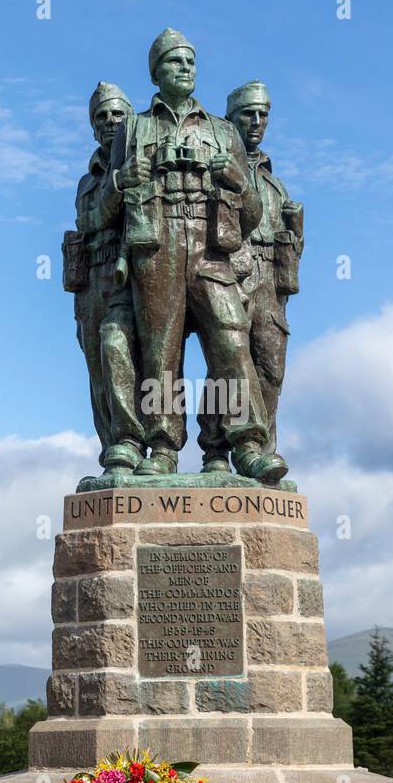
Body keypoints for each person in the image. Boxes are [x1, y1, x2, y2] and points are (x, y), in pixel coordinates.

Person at [104, 29, 287, 483]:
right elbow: (103, 211)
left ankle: (245, 444)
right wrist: (123, 179)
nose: (185, 69)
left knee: (230, 339)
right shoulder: (134, 128)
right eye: (173, 62)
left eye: (189, 62)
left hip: (210, 249)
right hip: (157, 243)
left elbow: (254, 214)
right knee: (159, 352)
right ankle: (163, 446)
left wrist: (239, 183)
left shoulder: (223, 131)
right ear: (155, 72)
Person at [198, 81, 303, 470]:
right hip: (231, 270)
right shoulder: (219, 169)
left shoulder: (276, 186)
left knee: (270, 368)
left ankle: (262, 451)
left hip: (270, 282)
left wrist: (293, 243)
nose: (258, 122)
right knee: (226, 363)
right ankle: (215, 449)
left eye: (264, 114)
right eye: (249, 114)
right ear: (231, 120)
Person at [62, 82, 144, 474]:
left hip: (129, 279)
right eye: (102, 117)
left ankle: (137, 442)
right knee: (99, 375)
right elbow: (90, 219)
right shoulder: (88, 180)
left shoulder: (144, 166)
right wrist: (115, 187)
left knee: (123, 353)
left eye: (117, 114)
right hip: (91, 281)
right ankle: (114, 452)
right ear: (93, 128)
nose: (110, 122)